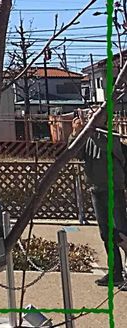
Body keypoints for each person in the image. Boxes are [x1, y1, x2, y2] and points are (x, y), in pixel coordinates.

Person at [70, 108, 127, 286]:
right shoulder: (88, 136)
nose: (90, 117)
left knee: (121, 233)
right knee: (106, 233)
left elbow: (106, 146)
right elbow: (74, 152)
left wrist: (91, 129)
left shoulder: (111, 135)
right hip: (96, 189)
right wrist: (76, 133)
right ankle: (115, 272)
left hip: (113, 188)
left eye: (95, 115)